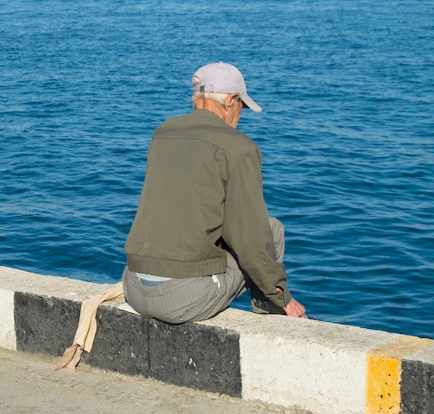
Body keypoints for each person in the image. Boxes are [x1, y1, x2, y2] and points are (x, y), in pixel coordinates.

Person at [122, 62, 306, 324]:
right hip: (179, 300)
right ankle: (274, 318)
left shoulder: (163, 133)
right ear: (231, 101)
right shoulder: (238, 147)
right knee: (271, 230)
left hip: (134, 286)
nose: (239, 117)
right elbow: (251, 238)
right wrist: (283, 296)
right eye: (241, 108)